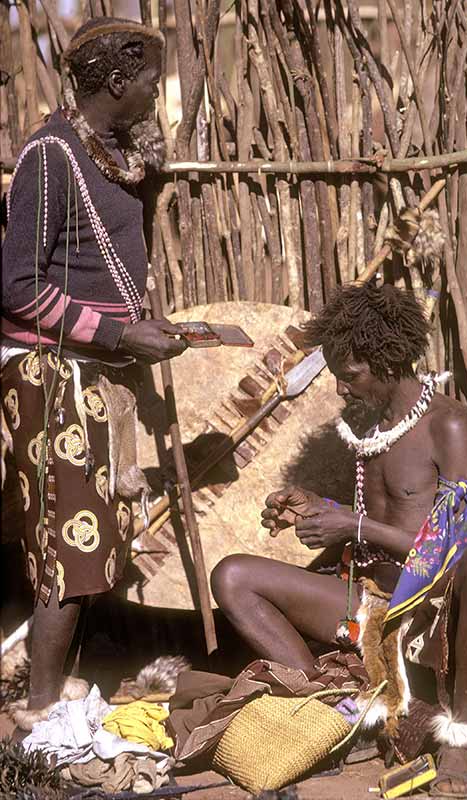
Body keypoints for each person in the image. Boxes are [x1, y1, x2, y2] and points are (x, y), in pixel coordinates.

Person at [211, 283, 467, 798]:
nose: (340, 388)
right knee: (231, 576)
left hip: (433, 611)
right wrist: (316, 508)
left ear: (387, 361)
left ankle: (459, 737)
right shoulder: (366, 425)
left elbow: (455, 547)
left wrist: (353, 527)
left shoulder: (448, 423)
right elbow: (373, 522)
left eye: (350, 375)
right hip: (370, 604)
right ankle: (348, 709)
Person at [1, 17, 188, 732]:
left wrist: (131, 335)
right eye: (148, 79)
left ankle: (53, 695)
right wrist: (117, 331)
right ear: (116, 82)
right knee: (68, 542)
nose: (153, 91)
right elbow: (16, 287)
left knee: (89, 537)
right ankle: (42, 709)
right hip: (49, 375)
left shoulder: (107, 154)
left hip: (87, 372)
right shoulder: (50, 157)